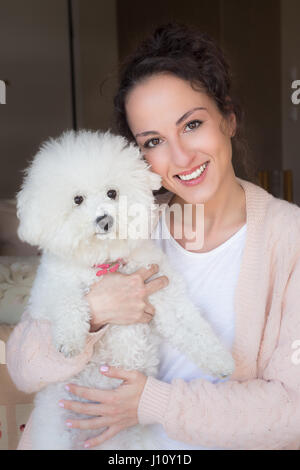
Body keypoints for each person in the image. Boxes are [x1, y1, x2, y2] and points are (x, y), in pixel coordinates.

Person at [7, 23, 300, 450]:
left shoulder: (288, 239)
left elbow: (291, 410)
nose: (180, 157)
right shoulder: (119, 229)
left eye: (192, 124)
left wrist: (152, 403)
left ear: (229, 119)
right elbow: (22, 367)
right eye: (154, 141)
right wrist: (92, 313)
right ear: (138, 157)